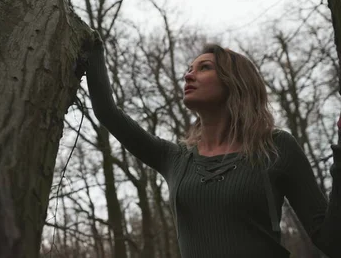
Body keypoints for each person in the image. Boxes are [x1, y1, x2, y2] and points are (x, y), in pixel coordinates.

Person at [85, 34, 341, 258]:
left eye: (203, 68)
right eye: (189, 68)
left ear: (234, 82)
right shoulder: (174, 158)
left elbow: (332, 242)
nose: (188, 75)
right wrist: (92, 48)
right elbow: (108, 112)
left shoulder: (275, 147)